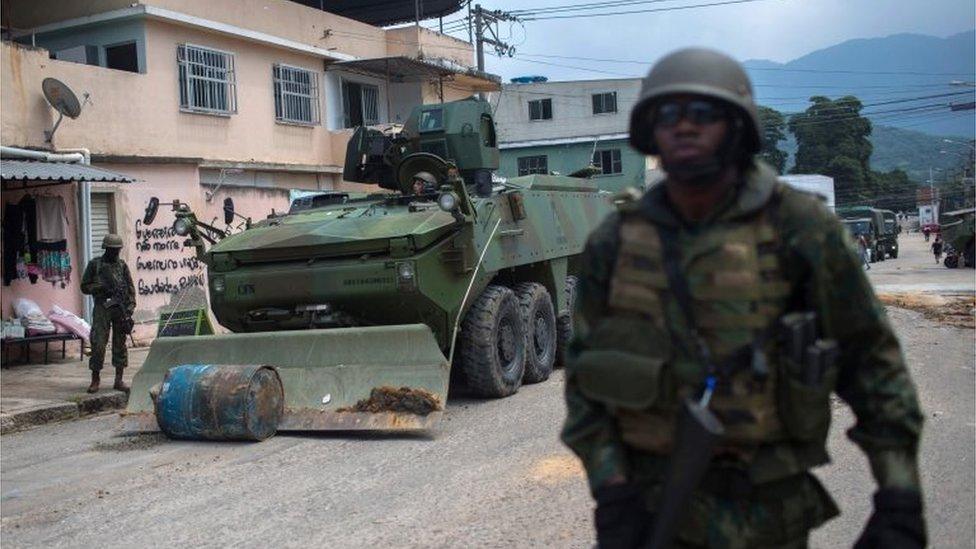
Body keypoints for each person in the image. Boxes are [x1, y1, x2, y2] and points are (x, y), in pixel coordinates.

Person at [562, 48, 925, 548]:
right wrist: (612, 492)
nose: (684, 127)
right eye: (668, 114)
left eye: (703, 114)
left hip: (767, 512)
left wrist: (899, 497)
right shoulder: (615, 241)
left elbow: (872, 362)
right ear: (651, 131)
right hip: (653, 508)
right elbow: (585, 381)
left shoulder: (801, 227)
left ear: (737, 126)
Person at [80, 234, 135, 393]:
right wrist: (99, 288)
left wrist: (130, 308)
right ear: (107, 249)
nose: (115, 253)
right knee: (98, 342)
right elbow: (84, 287)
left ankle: (119, 380)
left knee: (120, 344)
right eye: (113, 250)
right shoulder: (95, 265)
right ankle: (95, 379)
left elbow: (130, 289)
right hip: (103, 307)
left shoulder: (122, 266)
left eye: (117, 250)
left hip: (120, 308)